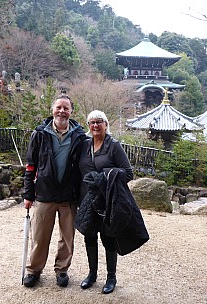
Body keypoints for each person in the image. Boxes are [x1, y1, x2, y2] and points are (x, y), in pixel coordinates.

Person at [75, 110, 149, 294]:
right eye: (92, 122)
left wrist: (105, 176)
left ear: (106, 124)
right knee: (89, 236)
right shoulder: (84, 145)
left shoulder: (114, 146)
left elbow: (128, 173)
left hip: (108, 201)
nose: (95, 126)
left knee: (108, 238)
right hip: (87, 199)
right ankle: (92, 274)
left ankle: (111, 277)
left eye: (99, 122)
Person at [22, 94, 87, 288]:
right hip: (44, 194)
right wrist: (28, 194)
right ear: (52, 110)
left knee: (67, 238)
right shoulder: (40, 134)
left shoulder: (79, 136)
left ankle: (62, 270)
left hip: (69, 196)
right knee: (40, 236)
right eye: (59, 107)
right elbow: (30, 166)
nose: (62, 111)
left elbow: (84, 166)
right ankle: (34, 270)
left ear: (71, 112)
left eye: (66, 108)